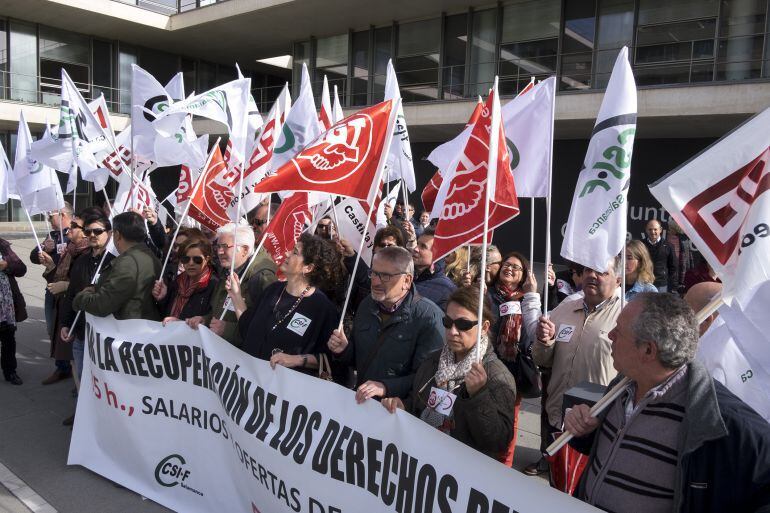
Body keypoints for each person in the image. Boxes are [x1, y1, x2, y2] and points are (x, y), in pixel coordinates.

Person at [565, 293, 770, 513]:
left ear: (648, 350)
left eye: (619, 331)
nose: (610, 336)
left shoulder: (716, 418)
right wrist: (584, 430)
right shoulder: (621, 386)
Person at [382, 286, 517, 460]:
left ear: (484, 327)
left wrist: (478, 396)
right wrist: (403, 407)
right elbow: (418, 404)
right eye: (448, 322)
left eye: (463, 324)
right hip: (423, 461)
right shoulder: (433, 360)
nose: (453, 332)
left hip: (460, 472)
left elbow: (498, 443)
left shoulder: (497, 376)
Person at [533, 256, 622, 475]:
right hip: (557, 416)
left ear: (618, 280)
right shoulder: (564, 308)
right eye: (588, 269)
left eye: (601, 271)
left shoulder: (626, 317)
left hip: (594, 425)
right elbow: (542, 360)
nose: (592, 275)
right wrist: (545, 342)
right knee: (555, 485)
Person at [328, 246, 444, 401]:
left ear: (407, 280)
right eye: (374, 273)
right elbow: (360, 361)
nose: (375, 281)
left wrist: (385, 387)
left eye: (385, 276)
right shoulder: (366, 305)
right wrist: (343, 350)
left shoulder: (429, 317)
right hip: (362, 405)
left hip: (396, 414)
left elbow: (426, 379)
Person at [228, 233, 339, 377]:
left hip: (283, 392)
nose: (287, 253)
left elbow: (330, 359)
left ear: (308, 268)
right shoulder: (272, 290)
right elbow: (246, 328)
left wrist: (295, 360)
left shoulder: (322, 308)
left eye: (294, 253)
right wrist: (236, 295)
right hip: (250, 382)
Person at [192, 223, 276, 347]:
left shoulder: (262, 279)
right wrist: (205, 320)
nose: (220, 252)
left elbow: (265, 329)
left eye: (225, 247)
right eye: (218, 246)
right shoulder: (227, 270)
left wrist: (228, 331)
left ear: (245, 250)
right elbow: (219, 310)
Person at [73, 212, 161, 321]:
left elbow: (102, 305)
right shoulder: (151, 257)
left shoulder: (127, 263)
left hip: (128, 330)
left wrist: (81, 297)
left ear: (117, 235)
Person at [60, 215, 114, 385]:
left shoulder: (115, 262)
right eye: (88, 231)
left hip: (103, 336)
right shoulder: (81, 261)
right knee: (84, 380)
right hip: (81, 333)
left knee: (102, 385)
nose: (92, 235)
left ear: (110, 233)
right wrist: (65, 323)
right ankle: (80, 410)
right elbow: (71, 294)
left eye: (97, 231)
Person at [41, 213, 90, 386]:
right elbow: (58, 278)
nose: (69, 229)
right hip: (65, 308)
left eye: (74, 226)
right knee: (73, 358)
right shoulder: (70, 249)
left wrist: (67, 286)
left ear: (85, 232)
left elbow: (88, 284)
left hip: (79, 313)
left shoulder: (87, 253)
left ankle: (80, 400)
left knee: (79, 359)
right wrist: (51, 266)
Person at [30, 204, 73, 383]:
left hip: (69, 289)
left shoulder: (75, 233)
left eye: (51, 215)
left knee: (69, 331)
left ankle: (74, 366)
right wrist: (44, 248)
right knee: (52, 328)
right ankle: (62, 367)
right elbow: (34, 256)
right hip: (52, 289)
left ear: (63, 214)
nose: (48, 218)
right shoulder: (52, 235)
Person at [153, 237, 218, 324]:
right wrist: (163, 298)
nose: (191, 263)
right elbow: (164, 315)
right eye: (185, 259)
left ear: (207, 259)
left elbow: (212, 321)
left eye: (197, 259)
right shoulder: (177, 281)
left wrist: (181, 323)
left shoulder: (214, 285)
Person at [0, 237, 27, 385]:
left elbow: (21, 269)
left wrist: (7, 266)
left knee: (8, 339)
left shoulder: (3, 246)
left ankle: (10, 371)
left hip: (5, 304)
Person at [412, 229, 456, 311]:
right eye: (417, 244)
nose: (415, 249)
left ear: (437, 254)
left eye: (423, 246)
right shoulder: (407, 276)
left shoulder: (447, 289)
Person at [642, 219, 677, 293]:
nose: (653, 232)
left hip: (662, 285)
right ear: (646, 230)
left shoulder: (669, 246)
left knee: (660, 304)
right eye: (650, 229)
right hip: (644, 284)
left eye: (655, 229)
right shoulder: (641, 245)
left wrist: (670, 284)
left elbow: (673, 267)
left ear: (660, 230)